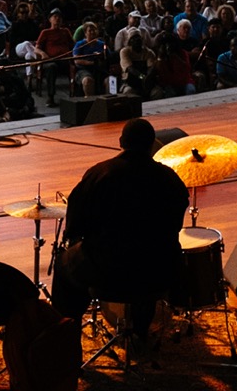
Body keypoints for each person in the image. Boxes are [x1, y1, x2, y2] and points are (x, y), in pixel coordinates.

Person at [52, 118, 188, 348]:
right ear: (152, 145)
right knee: (145, 259)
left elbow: (74, 227)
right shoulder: (170, 179)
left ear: (121, 142)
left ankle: (65, 337)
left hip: (107, 272)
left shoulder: (99, 174)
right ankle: (141, 334)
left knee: (64, 266)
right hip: (159, 271)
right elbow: (175, 226)